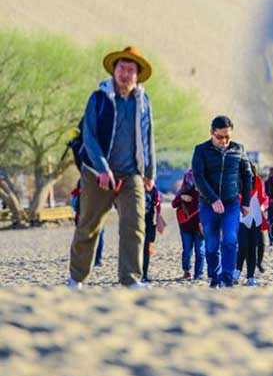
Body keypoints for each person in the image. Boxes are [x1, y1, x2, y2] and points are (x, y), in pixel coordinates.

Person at [67, 46, 156, 289]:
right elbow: (89, 136)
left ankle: (131, 279)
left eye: (130, 70)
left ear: (137, 74)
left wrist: (150, 173)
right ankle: (76, 279)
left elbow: (148, 137)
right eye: (121, 69)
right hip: (97, 174)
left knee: (135, 225)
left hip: (131, 174)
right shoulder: (99, 98)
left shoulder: (143, 101)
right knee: (89, 226)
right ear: (114, 71)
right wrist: (102, 168)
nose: (125, 74)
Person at [191, 116, 252, 288]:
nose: (224, 141)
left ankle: (226, 276)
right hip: (207, 204)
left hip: (231, 203)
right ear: (212, 132)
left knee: (230, 239)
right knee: (211, 245)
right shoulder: (201, 150)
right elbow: (198, 178)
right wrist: (213, 199)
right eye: (220, 137)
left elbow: (247, 176)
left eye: (228, 137)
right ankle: (215, 275)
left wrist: (246, 202)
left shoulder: (239, 149)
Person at [235, 163, 268, 286]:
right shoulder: (237, 182)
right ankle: (237, 272)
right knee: (243, 246)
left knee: (253, 249)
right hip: (242, 218)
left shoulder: (258, 181)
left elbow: (264, 197)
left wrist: (264, 205)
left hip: (256, 218)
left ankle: (250, 277)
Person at [173, 169, 204, 280]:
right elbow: (173, 204)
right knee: (187, 251)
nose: (192, 182)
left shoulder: (204, 190)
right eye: (190, 179)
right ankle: (187, 271)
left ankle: (198, 274)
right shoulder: (183, 191)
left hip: (200, 225)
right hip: (185, 226)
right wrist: (181, 197)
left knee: (200, 251)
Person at [140, 183, 163, 283]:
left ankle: (144, 274)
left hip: (149, 222)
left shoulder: (153, 188)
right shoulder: (134, 186)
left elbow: (157, 204)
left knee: (147, 249)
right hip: (136, 222)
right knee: (136, 249)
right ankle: (135, 274)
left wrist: (158, 218)